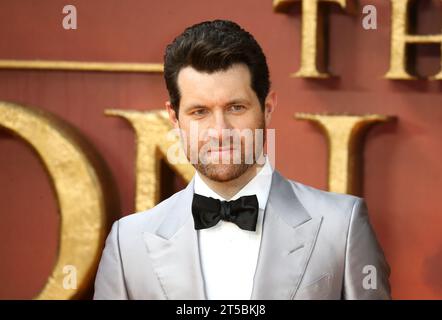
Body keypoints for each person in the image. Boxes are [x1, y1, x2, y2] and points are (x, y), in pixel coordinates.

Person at [93, 19, 391, 300]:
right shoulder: (127, 242)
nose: (220, 132)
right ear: (174, 117)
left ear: (268, 107)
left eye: (236, 107)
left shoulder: (342, 226)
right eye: (200, 112)